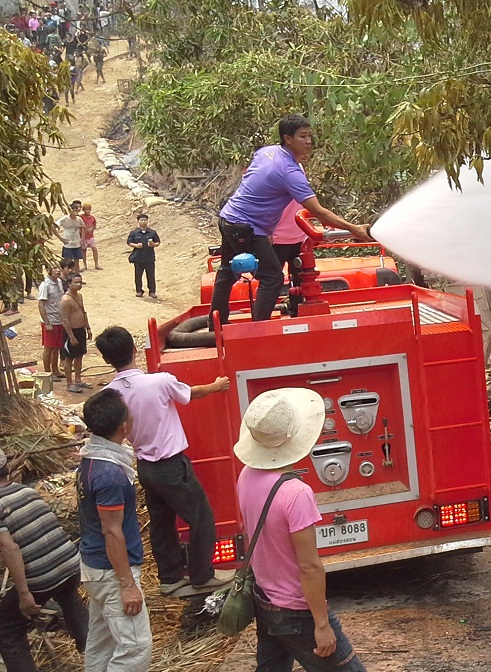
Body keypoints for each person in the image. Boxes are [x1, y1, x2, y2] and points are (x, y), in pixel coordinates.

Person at [235, 389, 369, 672]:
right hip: (296, 611)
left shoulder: (246, 477)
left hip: (266, 602)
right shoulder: (296, 493)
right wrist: (322, 624)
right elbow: (309, 566)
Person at [97, 327, 231, 596]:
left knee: (161, 523)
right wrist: (217, 386)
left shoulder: (110, 395)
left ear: (105, 359)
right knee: (201, 516)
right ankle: (202, 575)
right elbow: (190, 393)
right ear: (134, 350)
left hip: (145, 466)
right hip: (170, 464)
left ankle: (169, 577)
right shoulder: (159, 382)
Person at [209, 115, 371, 325]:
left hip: (229, 217)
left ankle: (216, 324)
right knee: (272, 277)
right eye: (303, 137)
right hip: (246, 227)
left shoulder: (266, 152)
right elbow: (318, 212)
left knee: (227, 271)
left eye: (310, 136)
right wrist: (354, 229)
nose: (309, 142)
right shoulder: (290, 172)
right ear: (287, 138)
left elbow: (255, 185)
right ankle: (258, 331)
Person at [78, 388, 151, 672]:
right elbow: (112, 530)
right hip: (111, 572)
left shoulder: (93, 457)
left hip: (94, 566)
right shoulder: (109, 473)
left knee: (103, 645)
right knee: (137, 646)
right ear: (124, 425)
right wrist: (127, 584)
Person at [0, 448, 89, 672]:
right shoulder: (28, 491)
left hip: (41, 575)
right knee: (69, 597)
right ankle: (94, 651)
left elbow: (10, 549)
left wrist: (24, 593)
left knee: (5, 623)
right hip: (70, 563)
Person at [37, 261, 74, 381]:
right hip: (50, 321)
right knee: (48, 347)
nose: (58, 270)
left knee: (57, 347)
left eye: (58, 268)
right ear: (48, 271)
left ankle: (55, 370)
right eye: (54, 268)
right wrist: (47, 322)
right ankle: (48, 373)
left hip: (59, 320)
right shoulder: (45, 285)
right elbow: (41, 305)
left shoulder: (58, 282)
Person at [60, 272, 92, 392]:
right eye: (76, 282)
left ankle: (78, 379)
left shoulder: (79, 296)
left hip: (81, 330)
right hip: (71, 332)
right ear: (69, 284)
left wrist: (88, 328)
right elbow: (65, 319)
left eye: (80, 282)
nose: (79, 285)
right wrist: (71, 336)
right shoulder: (66, 300)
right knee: (69, 358)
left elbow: (83, 312)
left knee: (79, 356)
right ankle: (69, 383)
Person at [126, 213, 159, 298]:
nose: (143, 222)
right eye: (141, 220)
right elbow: (129, 242)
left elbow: (158, 242)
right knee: (138, 275)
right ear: (138, 221)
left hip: (149, 257)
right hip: (138, 258)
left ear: (147, 221)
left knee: (151, 275)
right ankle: (139, 290)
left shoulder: (152, 232)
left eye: (145, 220)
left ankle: (152, 291)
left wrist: (153, 245)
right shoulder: (134, 232)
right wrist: (136, 245)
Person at [55, 201, 85, 268]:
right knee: (67, 263)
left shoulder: (79, 219)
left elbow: (84, 227)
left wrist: (82, 238)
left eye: (76, 211)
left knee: (77, 262)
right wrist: (61, 238)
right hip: (68, 245)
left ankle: (76, 275)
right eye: (73, 211)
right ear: (69, 211)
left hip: (77, 244)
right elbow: (53, 226)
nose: (74, 213)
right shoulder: (65, 219)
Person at [81, 203, 100, 270]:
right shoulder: (81, 217)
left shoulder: (92, 218)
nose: (87, 211)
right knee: (84, 250)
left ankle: (96, 264)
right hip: (83, 236)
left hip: (90, 236)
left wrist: (92, 228)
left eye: (88, 209)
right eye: (86, 209)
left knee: (94, 249)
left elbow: (94, 225)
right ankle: (85, 265)